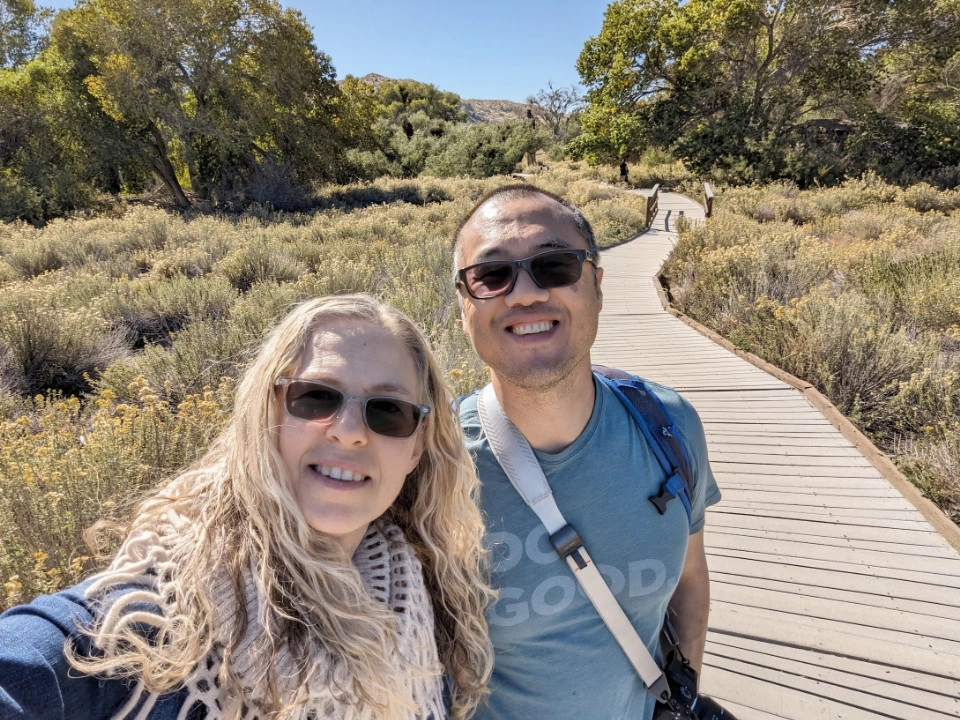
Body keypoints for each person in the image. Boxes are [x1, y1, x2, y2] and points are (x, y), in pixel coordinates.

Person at [0, 294, 494, 720]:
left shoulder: (425, 602)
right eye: (315, 397)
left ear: (417, 446)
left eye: (388, 410)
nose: (348, 429)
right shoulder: (147, 628)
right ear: (265, 413)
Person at [452, 185, 721, 720]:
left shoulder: (667, 425)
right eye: (492, 275)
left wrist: (681, 699)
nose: (525, 294)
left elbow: (689, 581)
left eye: (554, 265)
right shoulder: (429, 463)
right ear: (465, 305)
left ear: (597, 285)